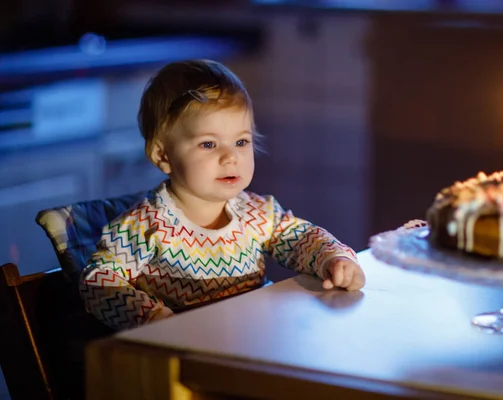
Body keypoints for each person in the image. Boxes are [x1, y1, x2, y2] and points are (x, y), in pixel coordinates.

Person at [79, 60, 366, 331]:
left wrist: (332, 258)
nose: (231, 157)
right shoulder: (144, 224)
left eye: (241, 141)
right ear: (162, 155)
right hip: (183, 351)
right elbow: (99, 280)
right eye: (208, 144)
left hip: (252, 337)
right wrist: (150, 317)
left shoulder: (257, 213)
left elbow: (301, 238)